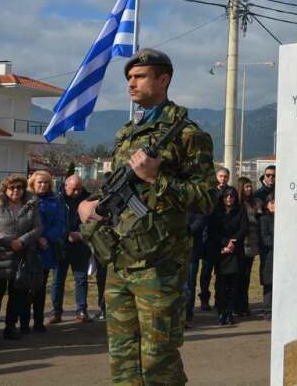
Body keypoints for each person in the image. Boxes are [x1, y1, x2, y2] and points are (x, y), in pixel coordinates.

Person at [78, 48, 215, 384]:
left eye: (139, 77)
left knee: (158, 359)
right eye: (129, 78)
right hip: (120, 260)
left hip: (159, 265)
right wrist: (91, 203)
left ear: (163, 79)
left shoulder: (188, 134)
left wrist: (158, 178)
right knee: (122, 357)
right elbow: (119, 188)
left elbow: (207, 199)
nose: (131, 84)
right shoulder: (127, 133)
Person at [0, 175, 43, 342]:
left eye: (19, 187)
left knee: (17, 295)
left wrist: (22, 241)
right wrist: (8, 242)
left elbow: (38, 228)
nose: (15, 191)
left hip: (22, 256)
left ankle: (10, 327)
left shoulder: (31, 206)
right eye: (12, 188)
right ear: (5, 189)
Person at [19, 171, 66, 333]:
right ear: (33, 183)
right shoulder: (25, 199)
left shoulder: (55, 201)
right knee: (24, 288)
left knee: (40, 288)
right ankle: (23, 323)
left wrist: (47, 238)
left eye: (46, 182)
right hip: (27, 248)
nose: (43, 185)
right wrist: (32, 237)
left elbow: (60, 223)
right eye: (40, 182)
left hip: (45, 249)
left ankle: (38, 322)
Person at [51, 174, 94, 325]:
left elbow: (94, 221)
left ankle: (82, 310)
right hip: (61, 245)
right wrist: (65, 234)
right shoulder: (57, 199)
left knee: (81, 279)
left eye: (79, 189)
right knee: (58, 280)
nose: (77, 192)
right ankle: (56, 312)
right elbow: (53, 221)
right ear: (65, 186)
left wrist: (81, 234)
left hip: (80, 245)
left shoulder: (88, 199)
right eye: (74, 189)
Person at [208, 187, 247, 326]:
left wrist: (232, 243)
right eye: (226, 196)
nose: (229, 199)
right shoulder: (217, 212)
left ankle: (229, 313)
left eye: (231, 196)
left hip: (236, 252)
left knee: (233, 285)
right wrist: (225, 243)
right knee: (221, 285)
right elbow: (213, 231)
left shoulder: (241, 210)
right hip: (221, 252)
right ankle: (221, 312)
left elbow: (243, 229)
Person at [198, 167, 230, 312]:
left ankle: (220, 300)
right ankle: (204, 299)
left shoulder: (230, 193)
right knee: (206, 272)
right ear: (216, 177)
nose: (223, 179)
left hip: (223, 238)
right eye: (221, 176)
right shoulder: (210, 192)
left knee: (221, 273)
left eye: (226, 177)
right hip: (209, 239)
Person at [237, 176, 261, 316]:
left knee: (246, 277)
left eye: (250, 186)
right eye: (246, 187)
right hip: (240, 245)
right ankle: (238, 306)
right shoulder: (238, 203)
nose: (249, 189)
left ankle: (244, 306)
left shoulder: (255, 202)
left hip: (251, 245)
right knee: (239, 276)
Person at [258, 192, 274, 321]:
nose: (274, 205)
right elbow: (264, 238)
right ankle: (267, 310)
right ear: (267, 205)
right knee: (269, 284)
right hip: (269, 255)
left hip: (280, 256)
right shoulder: (264, 219)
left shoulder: (283, 218)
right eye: (272, 203)